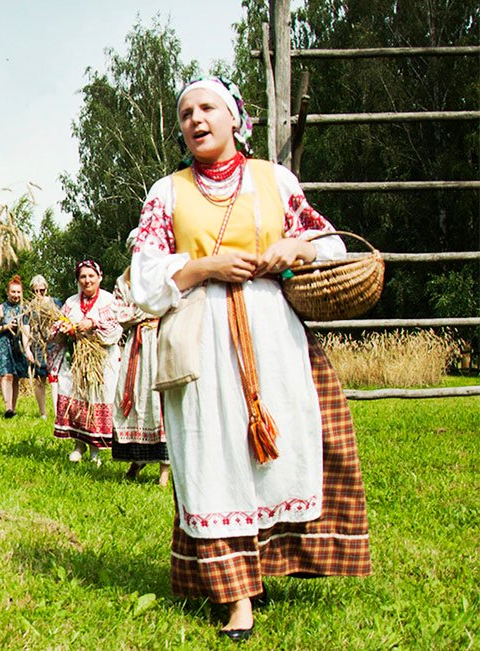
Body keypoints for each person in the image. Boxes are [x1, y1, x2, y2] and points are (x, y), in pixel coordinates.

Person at [131, 76, 370, 640]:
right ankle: (236, 597)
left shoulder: (273, 179)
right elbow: (143, 277)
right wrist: (204, 268)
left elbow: (329, 241)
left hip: (272, 332)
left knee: (282, 445)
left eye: (207, 108)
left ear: (235, 118)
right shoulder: (167, 192)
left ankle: (273, 562)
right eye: (186, 111)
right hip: (204, 336)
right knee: (213, 456)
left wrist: (296, 247)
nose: (195, 119)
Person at [50, 260, 122, 464]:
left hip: (101, 361)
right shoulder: (71, 302)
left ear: (100, 277)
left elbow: (116, 329)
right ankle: (78, 446)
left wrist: (92, 325)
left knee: (95, 398)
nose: (87, 280)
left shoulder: (109, 300)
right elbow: (57, 325)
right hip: (75, 361)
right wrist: (64, 328)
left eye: (91, 276)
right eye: (83, 277)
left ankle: (95, 450)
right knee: (76, 399)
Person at [110, 255, 170, 487]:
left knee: (159, 400)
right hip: (137, 345)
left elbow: (169, 305)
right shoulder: (123, 282)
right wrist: (147, 310)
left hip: (160, 340)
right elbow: (119, 314)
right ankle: (137, 459)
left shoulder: (163, 277)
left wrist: (141, 310)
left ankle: (164, 470)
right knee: (135, 397)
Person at [0, 276, 34, 418]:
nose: (16, 295)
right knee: (6, 375)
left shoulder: (25, 309)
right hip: (4, 344)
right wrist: (6, 326)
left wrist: (28, 348)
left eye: (18, 292)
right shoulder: (0, 308)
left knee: (16, 376)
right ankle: (7, 407)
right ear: (8, 292)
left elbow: (27, 328)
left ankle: (13, 409)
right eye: (13, 292)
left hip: (19, 344)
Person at [23, 275, 57, 418]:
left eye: (42, 290)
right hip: (37, 345)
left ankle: (57, 413)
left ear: (46, 289)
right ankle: (43, 412)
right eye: (35, 291)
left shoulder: (55, 303)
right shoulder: (28, 307)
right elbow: (26, 328)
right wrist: (27, 349)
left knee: (55, 379)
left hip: (54, 345)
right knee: (39, 379)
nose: (39, 294)